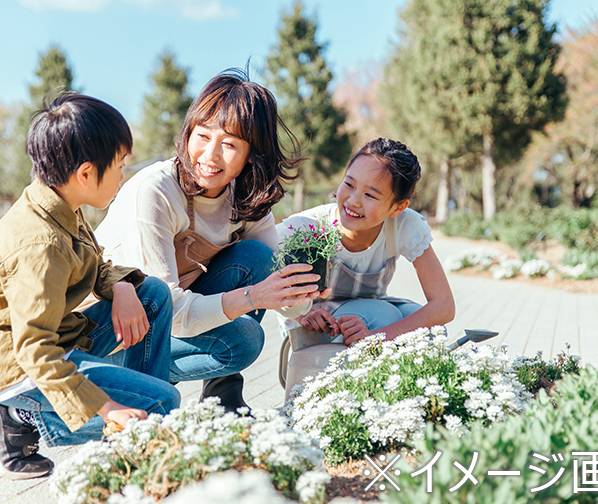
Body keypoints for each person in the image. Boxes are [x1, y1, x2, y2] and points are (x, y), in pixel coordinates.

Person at [0, 94, 181, 480]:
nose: (123, 177)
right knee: (163, 403)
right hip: (20, 367)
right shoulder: (38, 244)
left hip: (55, 339)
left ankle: (137, 437)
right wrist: (108, 408)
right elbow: (34, 349)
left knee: (153, 296)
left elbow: (95, 266)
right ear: (84, 173)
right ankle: (16, 416)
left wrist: (124, 288)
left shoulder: (62, 203)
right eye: (120, 167)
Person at [95, 69, 321, 412]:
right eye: (202, 136)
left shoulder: (246, 197)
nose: (210, 155)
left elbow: (276, 283)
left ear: (251, 154)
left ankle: (221, 396)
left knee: (257, 258)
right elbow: (168, 308)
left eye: (229, 144)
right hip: (113, 332)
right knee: (243, 340)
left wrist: (302, 293)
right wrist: (253, 296)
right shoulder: (154, 191)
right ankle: (125, 381)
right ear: (188, 133)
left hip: (172, 319)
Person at [278, 138, 455, 345]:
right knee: (382, 316)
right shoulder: (308, 226)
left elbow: (444, 306)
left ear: (398, 208)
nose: (353, 200)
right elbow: (261, 276)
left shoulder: (404, 224)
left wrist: (379, 337)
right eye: (349, 184)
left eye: (370, 195)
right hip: (315, 322)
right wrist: (301, 315)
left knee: (431, 331)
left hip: (370, 313)